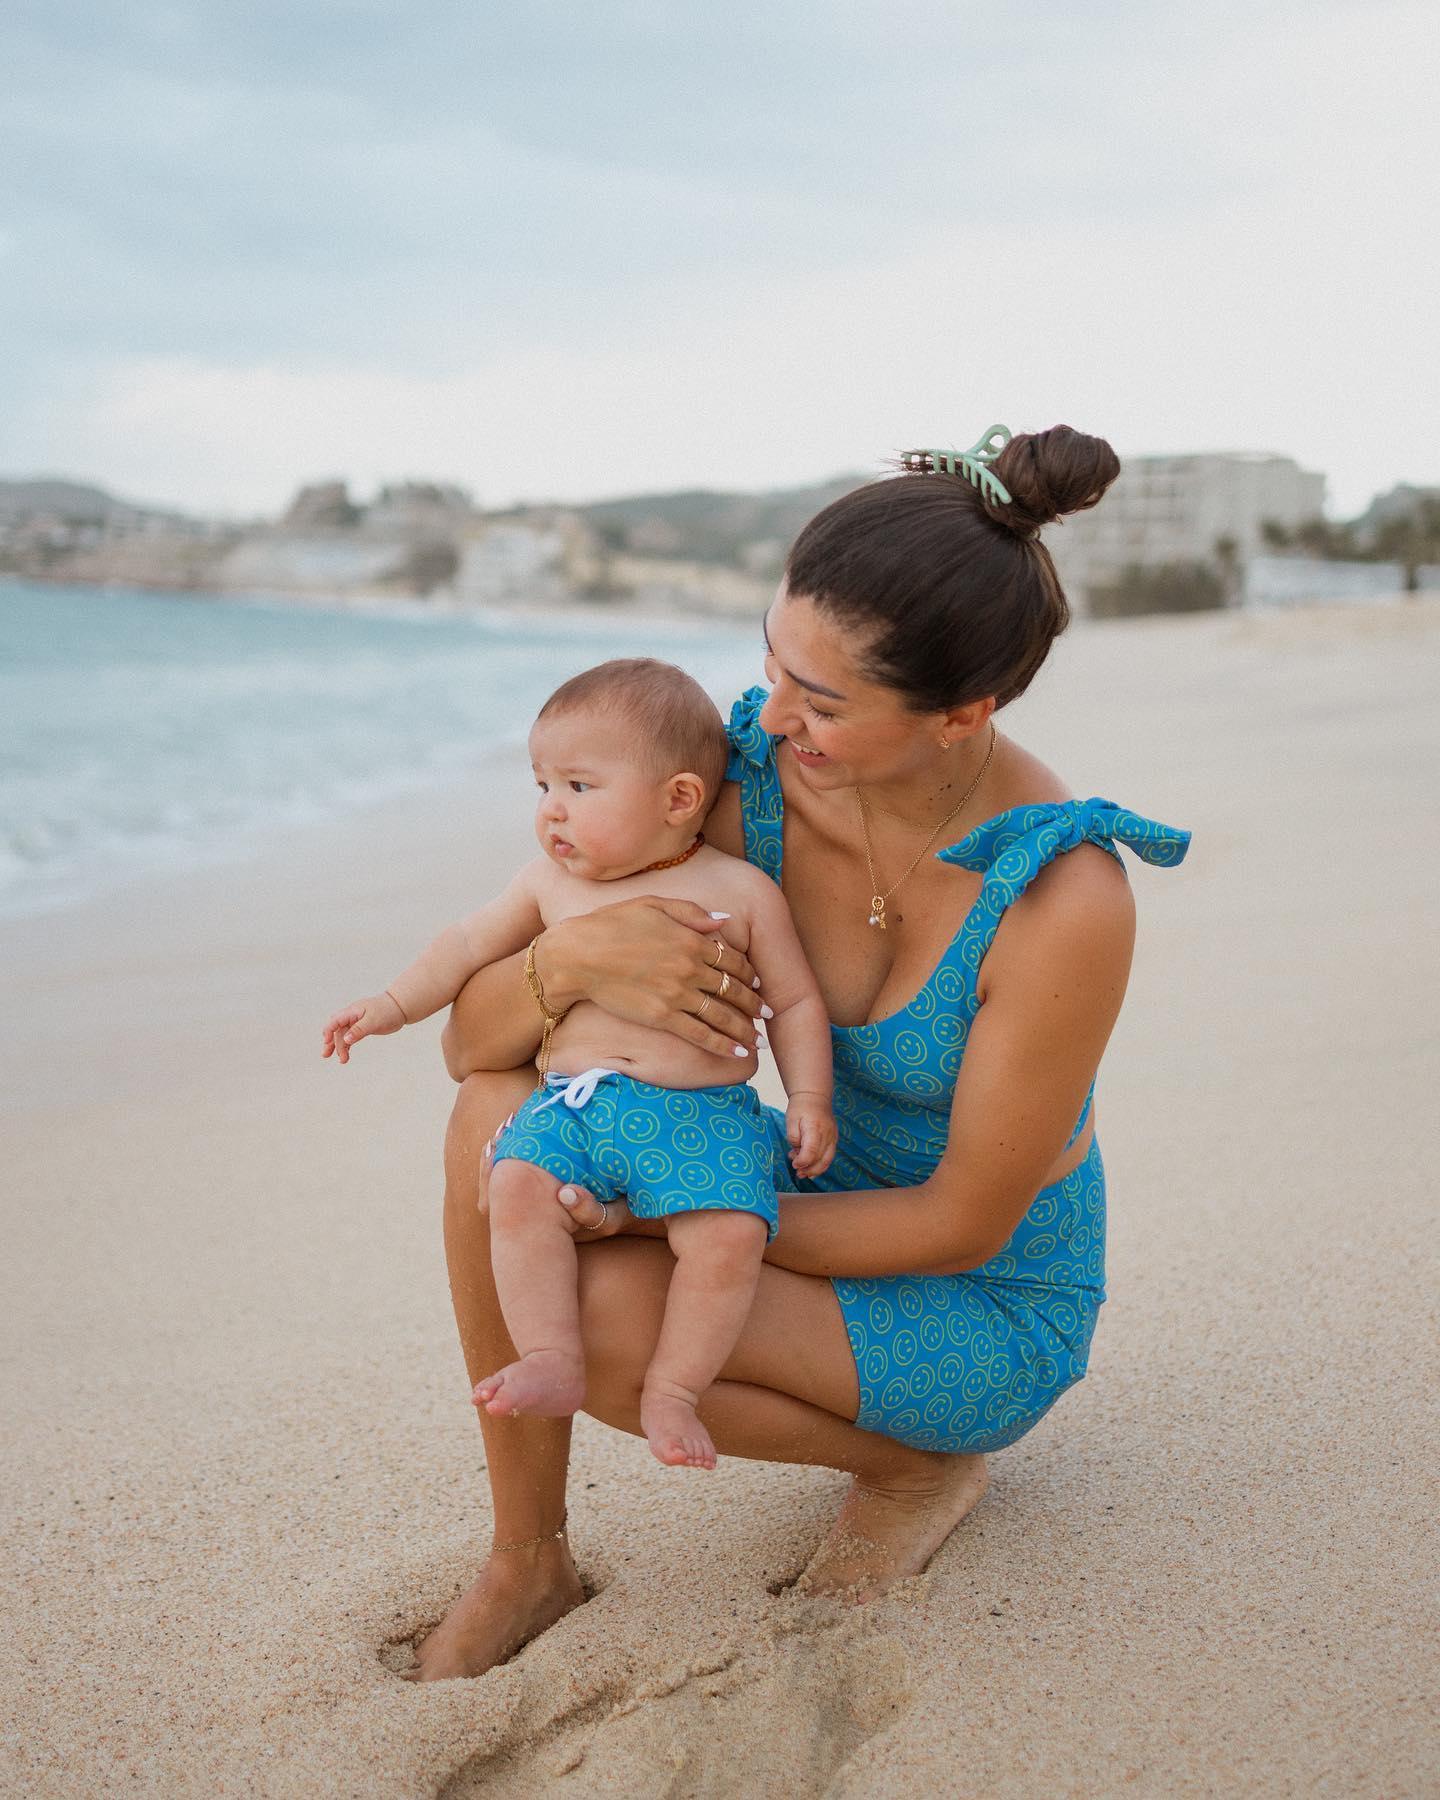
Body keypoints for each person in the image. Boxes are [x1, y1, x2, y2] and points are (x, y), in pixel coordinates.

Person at [407, 423, 1190, 1682]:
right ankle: (526, 1554)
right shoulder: (742, 783)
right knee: (493, 1122)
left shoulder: (1061, 896)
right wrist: (574, 968)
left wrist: (656, 1215)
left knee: (601, 1312)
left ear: (962, 715)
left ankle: (918, 1465)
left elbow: (962, 1221)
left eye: (823, 703)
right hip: (793, 1191)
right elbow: (468, 1047)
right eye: (772, 663)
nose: (773, 718)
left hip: (976, 1291)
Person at [322, 659, 835, 1472]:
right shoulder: (548, 885)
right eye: (541, 786)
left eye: (579, 787)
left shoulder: (739, 891)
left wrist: (808, 1096)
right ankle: (553, 1357)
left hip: (698, 1114)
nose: (551, 811)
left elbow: (797, 1003)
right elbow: (462, 947)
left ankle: (674, 1388)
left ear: (678, 799)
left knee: (727, 1236)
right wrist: (387, 1007)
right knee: (515, 1188)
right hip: (575, 1108)